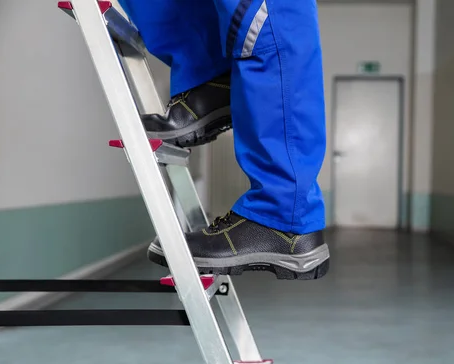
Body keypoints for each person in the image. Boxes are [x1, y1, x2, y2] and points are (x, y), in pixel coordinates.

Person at [118, 0, 329, 280]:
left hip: (285, 210)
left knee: (264, 12)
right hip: (207, 65)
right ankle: (211, 80)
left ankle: (283, 213)